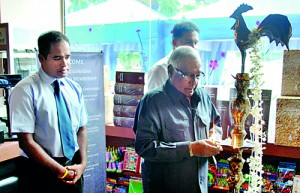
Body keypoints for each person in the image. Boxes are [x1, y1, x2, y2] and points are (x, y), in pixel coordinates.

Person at [133, 46, 223, 193]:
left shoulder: (203, 96)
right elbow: (145, 147)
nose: (193, 82)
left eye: (198, 75)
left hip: (199, 186)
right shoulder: (152, 101)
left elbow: (216, 123)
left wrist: (215, 138)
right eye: (187, 75)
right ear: (170, 71)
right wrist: (190, 149)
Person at [9, 31, 88, 193]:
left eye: (67, 57)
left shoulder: (74, 88)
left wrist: (82, 164)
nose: (64, 64)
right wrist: (60, 171)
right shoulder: (25, 90)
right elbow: (26, 142)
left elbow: (81, 129)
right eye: (57, 58)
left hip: (73, 168)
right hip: (40, 171)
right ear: (41, 59)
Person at [146, 21, 200, 91]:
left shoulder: (195, 69)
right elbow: (154, 100)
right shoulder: (160, 70)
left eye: (195, 43)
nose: (193, 47)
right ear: (174, 43)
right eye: (188, 42)